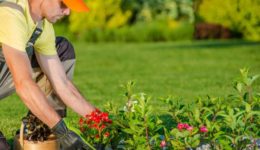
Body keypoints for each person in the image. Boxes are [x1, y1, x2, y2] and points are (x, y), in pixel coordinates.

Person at [0, 0, 97, 149]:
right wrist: (62, 132)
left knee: (62, 49)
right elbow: (23, 84)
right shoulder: (10, 13)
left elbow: (62, 84)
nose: (67, 12)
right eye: (63, 4)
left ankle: (40, 128)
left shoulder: (42, 27)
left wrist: (102, 123)